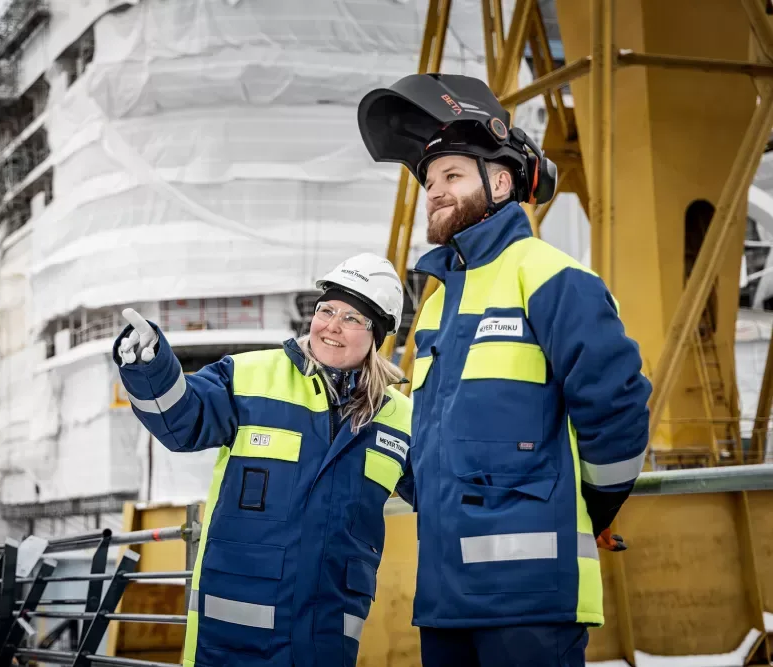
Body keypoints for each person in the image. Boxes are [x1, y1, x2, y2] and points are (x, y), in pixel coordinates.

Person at [356, 73, 652, 666]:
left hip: (532, 602)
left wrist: (592, 508)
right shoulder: (438, 304)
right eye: (430, 180)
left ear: (499, 181)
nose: (434, 191)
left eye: (452, 176)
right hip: (445, 601)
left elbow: (617, 406)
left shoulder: (549, 276)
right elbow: (430, 447)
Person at [112, 253, 414, 667]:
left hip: (324, 640)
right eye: (326, 310)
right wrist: (151, 366)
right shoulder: (249, 377)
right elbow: (182, 420)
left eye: (352, 319)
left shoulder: (400, 418)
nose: (332, 326)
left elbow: (445, 492)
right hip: (231, 638)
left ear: (377, 334)